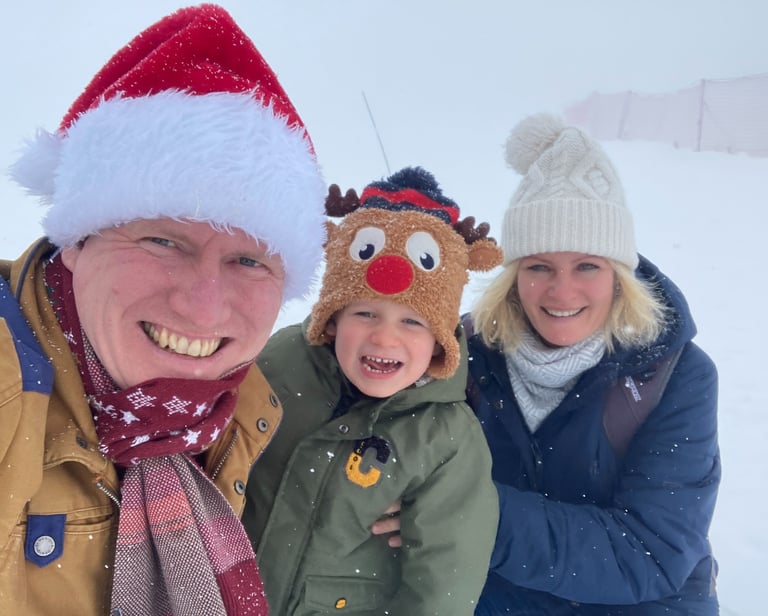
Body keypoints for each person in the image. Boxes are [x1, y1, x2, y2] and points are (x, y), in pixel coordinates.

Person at [0, 5, 327, 615]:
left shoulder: (242, 409)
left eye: (250, 261)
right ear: (78, 239)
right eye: (162, 241)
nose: (203, 308)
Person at [464, 114, 720, 614]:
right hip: (498, 594)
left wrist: (466, 513)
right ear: (513, 275)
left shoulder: (675, 374)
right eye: (539, 266)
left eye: (587, 265)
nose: (562, 292)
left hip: (643, 601)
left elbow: (649, 552)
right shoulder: (465, 354)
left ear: (619, 275)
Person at [242, 166, 504, 615]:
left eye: (412, 321)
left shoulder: (446, 439)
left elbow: (444, 583)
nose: (384, 338)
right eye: (364, 314)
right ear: (333, 316)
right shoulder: (279, 363)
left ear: (441, 336)